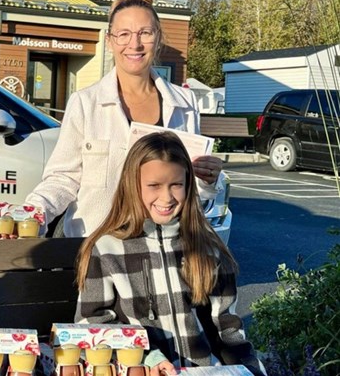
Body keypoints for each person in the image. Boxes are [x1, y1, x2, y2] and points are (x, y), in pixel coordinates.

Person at [20, 0, 223, 238]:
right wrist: (32, 214)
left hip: (162, 250)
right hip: (96, 247)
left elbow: (188, 187)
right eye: (124, 34)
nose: (134, 44)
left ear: (158, 38)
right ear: (110, 40)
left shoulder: (185, 103)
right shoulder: (85, 103)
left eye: (145, 33)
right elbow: (63, 178)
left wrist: (207, 180)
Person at [75, 132, 264, 375]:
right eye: (154, 185)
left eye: (176, 184)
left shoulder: (208, 247)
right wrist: (147, 357)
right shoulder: (106, 249)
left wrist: (250, 369)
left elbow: (228, 328)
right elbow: (91, 324)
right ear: (132, 185)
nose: (166, 197)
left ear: (188, 184)